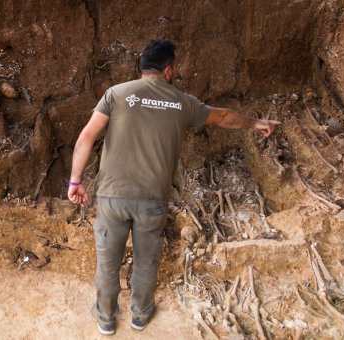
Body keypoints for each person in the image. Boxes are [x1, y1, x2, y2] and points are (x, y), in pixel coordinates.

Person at [67, 39, 280, 335]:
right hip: (153, 200)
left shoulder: (116, 94)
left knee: (108, 261)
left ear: (142, 69)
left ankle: (105, 318)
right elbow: (223, 117)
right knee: (145, 262)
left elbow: (85, 138)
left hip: (112, 198)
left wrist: (75, 181)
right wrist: (257, 122)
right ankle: (140, 316)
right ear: (169, 70)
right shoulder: (182, 102)